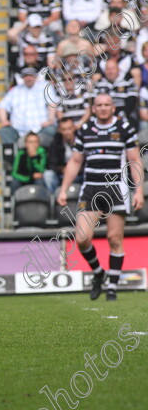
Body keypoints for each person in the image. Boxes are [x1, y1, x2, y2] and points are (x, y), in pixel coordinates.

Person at [57, 94, 144, 301]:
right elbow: (76, 161)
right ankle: (98, 272)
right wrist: (63, 188)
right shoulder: (85, 130)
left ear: (113, 107)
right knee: (82, 238)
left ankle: (112, 287)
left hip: (116, 188)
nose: (103, 108)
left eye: (107, 104)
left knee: (114, 238)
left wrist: (138, 190)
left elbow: (134, 159)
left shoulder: (124, 128)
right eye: (99, 105)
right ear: (93, 109)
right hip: (91, 189)